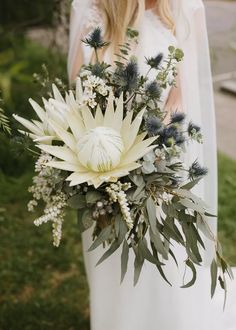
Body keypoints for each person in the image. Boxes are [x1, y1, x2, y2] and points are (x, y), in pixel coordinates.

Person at [67, 1, 230, 329]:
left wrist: (146, 156)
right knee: (111, 258)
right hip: (100, 166)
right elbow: (76, 88)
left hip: (158, 166)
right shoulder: (88, 11)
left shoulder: (183, 11)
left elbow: (180, 100)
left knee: (162, 263)